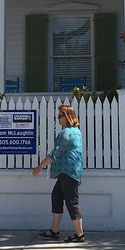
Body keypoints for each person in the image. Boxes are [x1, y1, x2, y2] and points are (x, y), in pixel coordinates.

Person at [32, 103, 85, 242]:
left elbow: (55, 154)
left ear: (67, 117)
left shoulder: (66, 134)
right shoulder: (77, 131)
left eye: (60, 116)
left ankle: (80, 234)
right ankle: (54, 231)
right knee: (57, 197)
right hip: (69, 172)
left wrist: (39, 166)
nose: (58, 119)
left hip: (68, 172)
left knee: (72, 202)